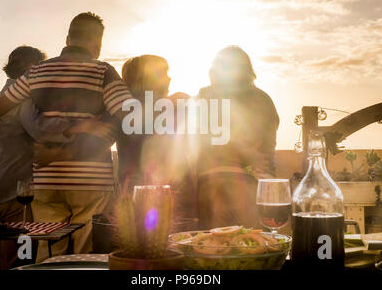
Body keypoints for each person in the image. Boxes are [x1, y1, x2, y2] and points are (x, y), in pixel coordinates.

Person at [0, 12, 134, 261]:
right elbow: (128, 114)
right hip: (89, 179)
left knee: (48, 248)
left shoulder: (37, 71)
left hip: (45, 177)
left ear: (67, 38)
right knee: (84, 249)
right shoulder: (103, 71)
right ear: (97, 43)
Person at [37, 55, 198, 220]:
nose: (169, 78)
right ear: (148, 77)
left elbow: (99, 141)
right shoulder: (173, 105)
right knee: (178, 238)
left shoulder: (120, 108)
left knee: (142, 241)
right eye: (163, 73)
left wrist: (56, 155)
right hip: (166, 186)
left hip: (136, 187)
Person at [0, 46, 72, 270]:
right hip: (12, 196)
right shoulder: (24, 101)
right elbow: (42, 130)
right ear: (31, 68)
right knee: (17, 260)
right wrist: (78, 127)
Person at [196, 46, 279, 230]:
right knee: (249, 246)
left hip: (236, 183)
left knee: (217, 246)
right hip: (248, 182)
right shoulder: (262, 99)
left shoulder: (207, 97)